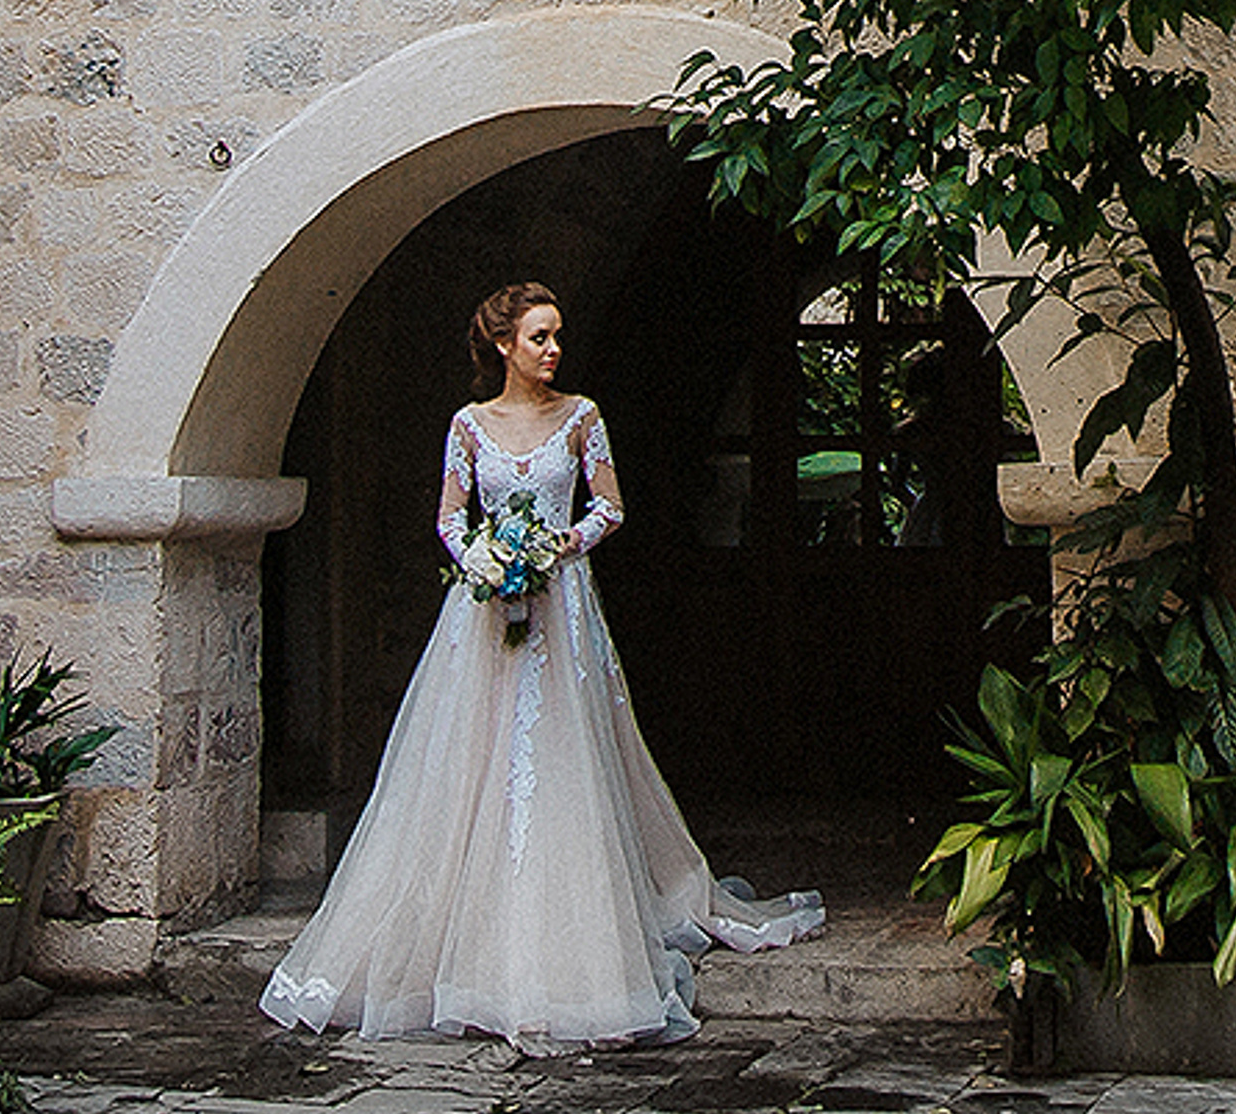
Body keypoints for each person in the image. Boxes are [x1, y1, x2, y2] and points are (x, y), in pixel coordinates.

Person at [262, 282, 822, 1047]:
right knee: (469, 763)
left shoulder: (582, 417)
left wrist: (560, 546)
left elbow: (611, 507)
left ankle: (570, 952)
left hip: (562, 608)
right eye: (539, 337)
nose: (553, 349)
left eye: (557, 336)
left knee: (562, 758)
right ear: (503, 346)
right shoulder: (469, 425)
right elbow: (450, 516)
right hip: (485, 611)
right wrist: (482, 561)